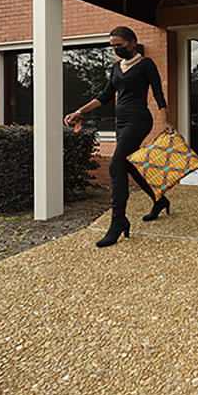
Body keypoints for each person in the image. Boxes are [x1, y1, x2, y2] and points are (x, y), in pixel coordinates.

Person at [64, 26, 173, 247]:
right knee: (129, 166)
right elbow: (104, 96)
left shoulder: (146, 64)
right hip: (121, 123)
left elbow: (158, 93)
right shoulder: (116, 67)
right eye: (113, 46)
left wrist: (166, 121)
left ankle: (118, 221)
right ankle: (160, 200)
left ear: (133, 42)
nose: (116, 50)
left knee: (115, 165)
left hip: (139, 120)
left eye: (120, 46)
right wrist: (79, 111)